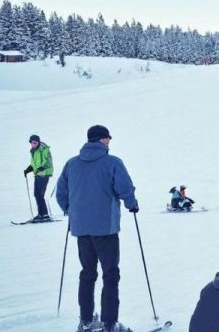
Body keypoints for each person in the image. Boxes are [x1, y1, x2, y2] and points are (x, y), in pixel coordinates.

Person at [56, 125, 139, 332]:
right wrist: (132, 204)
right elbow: (125, 188)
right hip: (106, 229)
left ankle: (85, 321)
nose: (109, 142)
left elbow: (60, 192)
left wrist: (70, 210)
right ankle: (110, 324)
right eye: (108, 138)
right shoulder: (112, 162)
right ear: (102, 140)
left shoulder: (71, 163)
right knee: (110, 274)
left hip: (81, 229)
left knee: (87, 273)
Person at [24, 134, 54, 222]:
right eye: (32, 143)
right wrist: (28, 169)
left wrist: (42, 167)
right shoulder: (33, 151)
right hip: (38, 174)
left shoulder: (44, 150)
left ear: (38, 142)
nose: (34, 144)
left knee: (40, 194)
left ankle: (44, 214)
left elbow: (48, 162)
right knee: (36, 194)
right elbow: (34, 164)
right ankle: (40, 214)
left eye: (35, 143)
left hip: (44, 174)